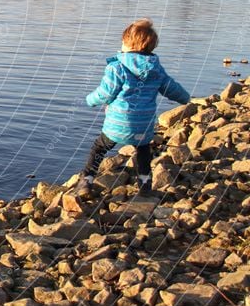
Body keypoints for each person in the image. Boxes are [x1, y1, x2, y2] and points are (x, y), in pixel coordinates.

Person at [76, 18, 190, 198]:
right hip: (143, 125)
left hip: (118, 123)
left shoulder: (117, 67)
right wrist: (186, 98)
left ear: (128, 44)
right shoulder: (156, 69)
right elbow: (171, 88)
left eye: (123, 41)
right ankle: (145, 185)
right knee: (143, 150)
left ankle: (86, 181)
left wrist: (90, 100)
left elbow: (105, 93)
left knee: (99, 148)